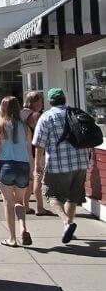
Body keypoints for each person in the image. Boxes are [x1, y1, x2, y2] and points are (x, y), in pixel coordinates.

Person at [32, 87, 91, 244]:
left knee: (51, 196)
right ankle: (67, 227)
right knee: (72, 197)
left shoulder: (47, 117)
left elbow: (39, 143)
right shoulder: (76, 113)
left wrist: (37, 164)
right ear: (64, 99)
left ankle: (67, 221)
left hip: (58, 165)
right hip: (81, 162)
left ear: (50, 101)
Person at [0, 96, 34, 247]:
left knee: (8, 202)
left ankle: (12, 238)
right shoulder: (25, 127)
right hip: (23, 166)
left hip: (5, 166)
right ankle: (23, 228)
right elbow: (29, 152)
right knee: (20, 202)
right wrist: (31, 171)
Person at [20, 91, 50, 216]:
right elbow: (41, 135)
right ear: (34, 102)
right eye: (40, 101)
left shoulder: (20, 113)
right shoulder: (35, 115)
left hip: (22, 151)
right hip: (35, 150)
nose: (41, 104)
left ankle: (25, 206)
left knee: (29, 180)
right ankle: (39, 207)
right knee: (36, 178)